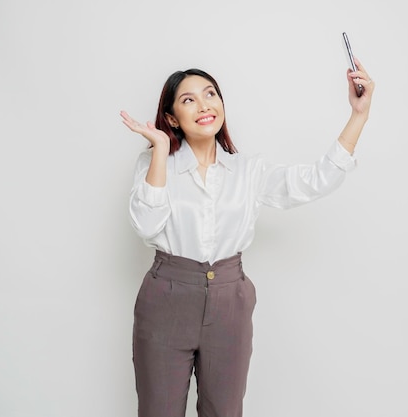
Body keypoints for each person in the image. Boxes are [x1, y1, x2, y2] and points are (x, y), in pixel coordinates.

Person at [120, 58, 374, 417]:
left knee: (224, 411)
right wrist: (160, 150)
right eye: (188, 99)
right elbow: (146, 226)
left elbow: (315, 180)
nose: (204, 104)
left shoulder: (248, 170)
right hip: (167, 299)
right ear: (172, 117)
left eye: (210, 94)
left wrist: (358, 115)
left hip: (230, 301)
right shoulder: (154, 163)